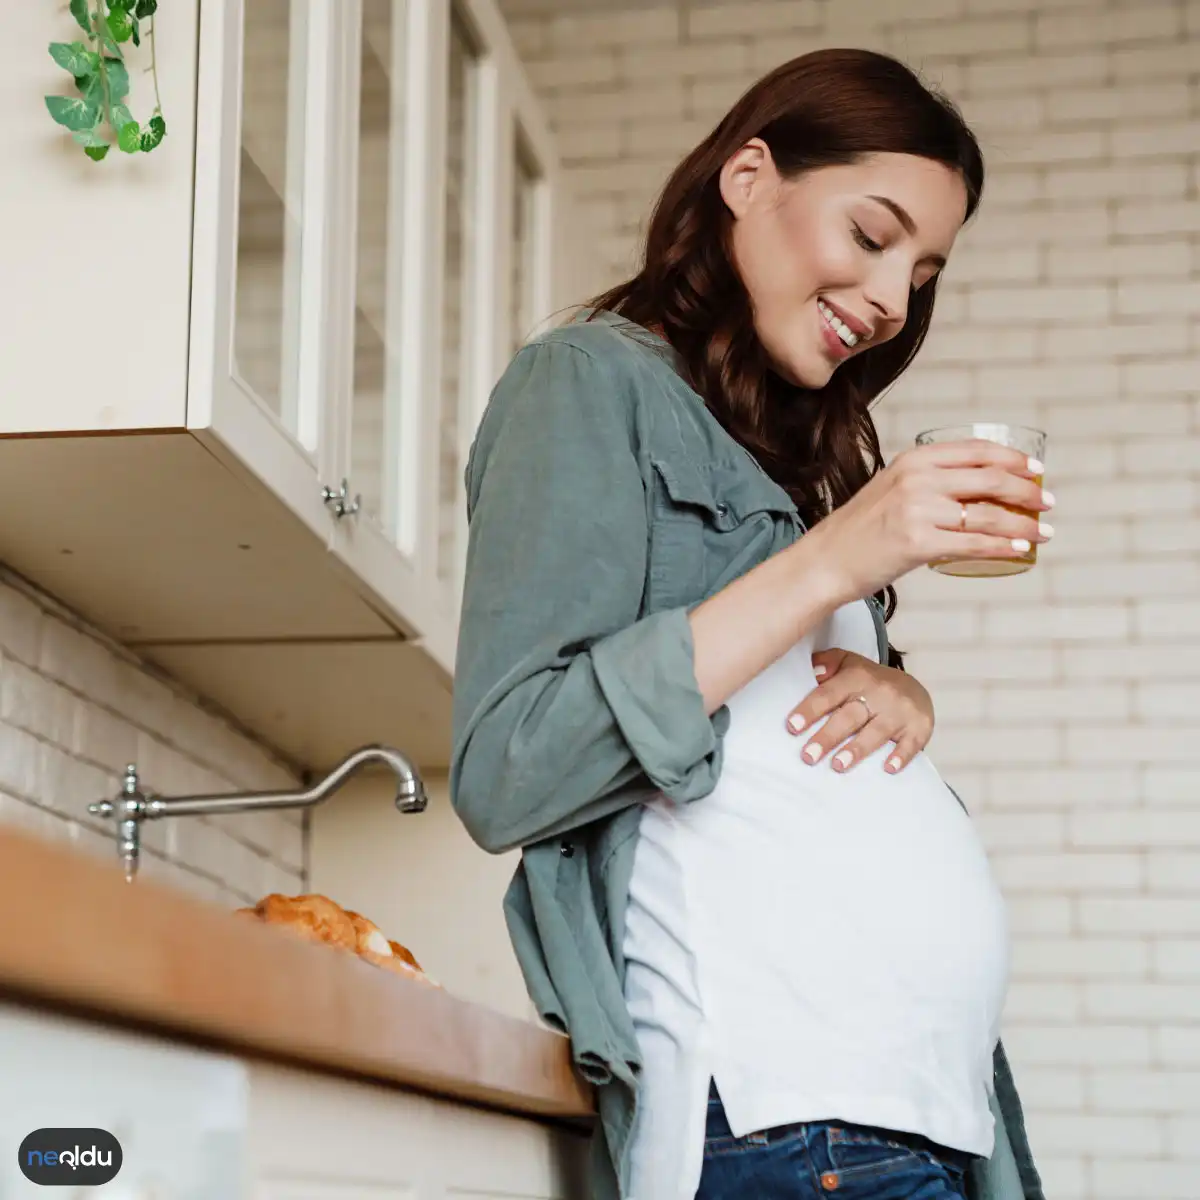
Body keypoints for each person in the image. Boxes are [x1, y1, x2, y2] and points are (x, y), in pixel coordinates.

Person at [450, 48, 1049, 1200]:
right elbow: (510, 767)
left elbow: (773, 727)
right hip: (788, 1123)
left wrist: (901, 695)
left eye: (923, 272)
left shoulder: (800, 459)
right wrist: (841, 553)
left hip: (919, 1113)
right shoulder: (584, 381)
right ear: (748, 177)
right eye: (873, 237)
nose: (891, 298)